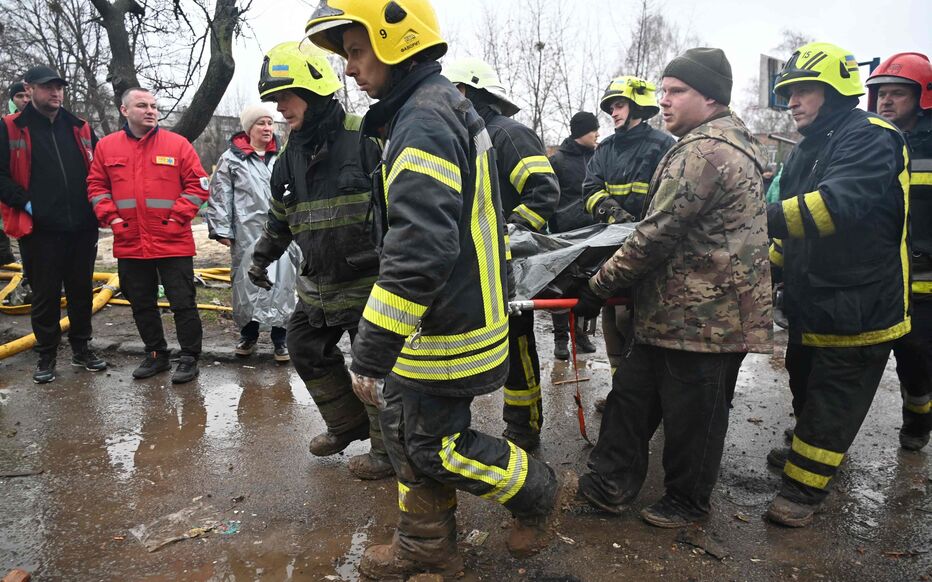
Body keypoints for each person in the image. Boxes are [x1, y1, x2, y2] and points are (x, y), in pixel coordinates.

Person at [307, 1, 562, 577]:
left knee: (434, 447)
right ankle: (424, 545)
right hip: (442, 317)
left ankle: (537, 490)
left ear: (393, 39)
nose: (349, 69)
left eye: (354, 50)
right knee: (406, 435)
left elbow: (419, 250)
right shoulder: (427, 109)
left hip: (448, 326)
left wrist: (371, 353)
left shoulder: (422, 119)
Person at [572, 48, 772, 527]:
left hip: (706, 319)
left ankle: (686, 502)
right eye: (662, 91)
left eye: (676, 91)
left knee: (693, 419)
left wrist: (597, 286)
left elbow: (654, 235)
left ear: (710, 97)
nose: (664, 102)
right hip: (675, 312)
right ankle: (609, 484)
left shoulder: (706, 151)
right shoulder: (706, 144)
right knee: (630, 399)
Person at [764, 42, 911, 527]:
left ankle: (803, 491)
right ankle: (811, 453)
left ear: (835, 89)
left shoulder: (872, 136)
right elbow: (793, 232)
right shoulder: (810, 147)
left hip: (860, 304)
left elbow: (834, 207)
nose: (792, 103)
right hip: (814, 301)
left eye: (803, 91)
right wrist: (768, 270)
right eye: (788, 93)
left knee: (834, 397)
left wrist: (750, 219)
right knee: (805, 384)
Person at [247, 42, 392, 480]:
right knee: (305, 345)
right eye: (274, 99)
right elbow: (280, 217)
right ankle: (346, 424)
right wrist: (262, 257)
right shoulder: (289, 155)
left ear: (313, 90)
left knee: (374, 367)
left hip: (368, 282)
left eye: (284, 96)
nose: (278, 107)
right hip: (319, 283)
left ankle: (386, 454)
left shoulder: (364, 136)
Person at [443, 56, 560, 452]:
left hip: (508, 266)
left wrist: (506, 234)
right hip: (472, 264)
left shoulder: (508, 134)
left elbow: (544, 192)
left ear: (464, 91)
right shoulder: (459, 137)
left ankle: (524, 427)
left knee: (517, 342)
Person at [87, 87, 209, 384]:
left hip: (173, 240)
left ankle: (189, 358)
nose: (151, 110)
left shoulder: (177, 145)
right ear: (124, 110)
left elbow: (199, 185)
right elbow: (95, 186)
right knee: (141, 302)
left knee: (183, 302)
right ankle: (156, 354)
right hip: (129, 240)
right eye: (142, 105)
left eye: (154, 105)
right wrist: (112, 218)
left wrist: (176, 219)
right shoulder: (107, 147)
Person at [0, 65, 107, 383]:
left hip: (81, 227)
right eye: (48, 87)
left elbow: (100, 169)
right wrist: (27, 202)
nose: (56, 92)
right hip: (39, 229)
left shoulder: (80, 128)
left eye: (59, 87)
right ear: (29, 89)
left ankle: (82, 348)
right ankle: (46, 355)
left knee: (80, 291)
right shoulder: (9, 129)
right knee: (45, 294)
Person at [583, 75, 676, 412]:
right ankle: (622, 394)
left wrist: (642, 229)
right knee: (612, 323)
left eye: (619, 104)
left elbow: (670, 197)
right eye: (610, 107)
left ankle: (650, 397)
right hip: (613, 249)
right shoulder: (604, 149)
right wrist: (616, 218)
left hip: (653, 252)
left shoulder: (664, 145)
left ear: (637, 105)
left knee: (640, 323)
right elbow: (590, 189)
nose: (613, 112)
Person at [865, 52, 932, 451]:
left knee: (916, 359)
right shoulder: (870, 142)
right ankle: (822, 429)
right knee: (853, 365)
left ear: (922, 97)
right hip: (878, 274)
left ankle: (918, 422)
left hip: (923, 279)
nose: (887, 102)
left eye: (897, 94)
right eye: (881, 94)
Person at [207, 103, 298, 362]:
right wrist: (222, 228)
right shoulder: (231, 159)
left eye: (270, 123)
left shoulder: (284, 155)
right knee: (245, 283)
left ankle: (281, 340)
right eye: (261, 123)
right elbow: (220, 194)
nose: (267, 128)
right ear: (249, 128)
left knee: (282, 283)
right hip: (246, 233)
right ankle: (249, 335)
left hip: (281, 231)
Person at [548, 111, 600, 361]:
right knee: (561, 288)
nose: (597, 134)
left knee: (586, 286)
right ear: (581, 132)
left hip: (592, 235)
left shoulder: (598, 158)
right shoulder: (557, 160)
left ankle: (580, 334)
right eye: (593, 130)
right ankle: (561, 339)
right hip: (564, 235)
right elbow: (549, 195)